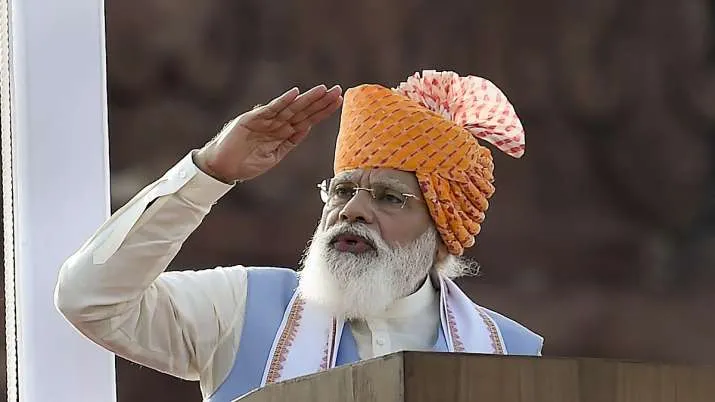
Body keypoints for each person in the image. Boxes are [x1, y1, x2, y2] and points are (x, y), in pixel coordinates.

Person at [55, 70, 543, 402]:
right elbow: (89, 299)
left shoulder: (510, 354)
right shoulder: (243, 307)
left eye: (389, 198)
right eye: (343, 190)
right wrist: (209, 173)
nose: (352, 211)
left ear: (442, 233)